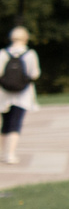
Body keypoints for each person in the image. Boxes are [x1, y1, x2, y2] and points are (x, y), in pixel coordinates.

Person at [1, 26, 39, 166]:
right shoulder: (30, 54)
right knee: (15, 124)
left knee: (5, 124)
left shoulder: (3, 54)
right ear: (26, 38)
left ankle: (2, 153)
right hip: (22, 95)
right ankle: (10, 154)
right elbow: (34, 74)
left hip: (4, 95)